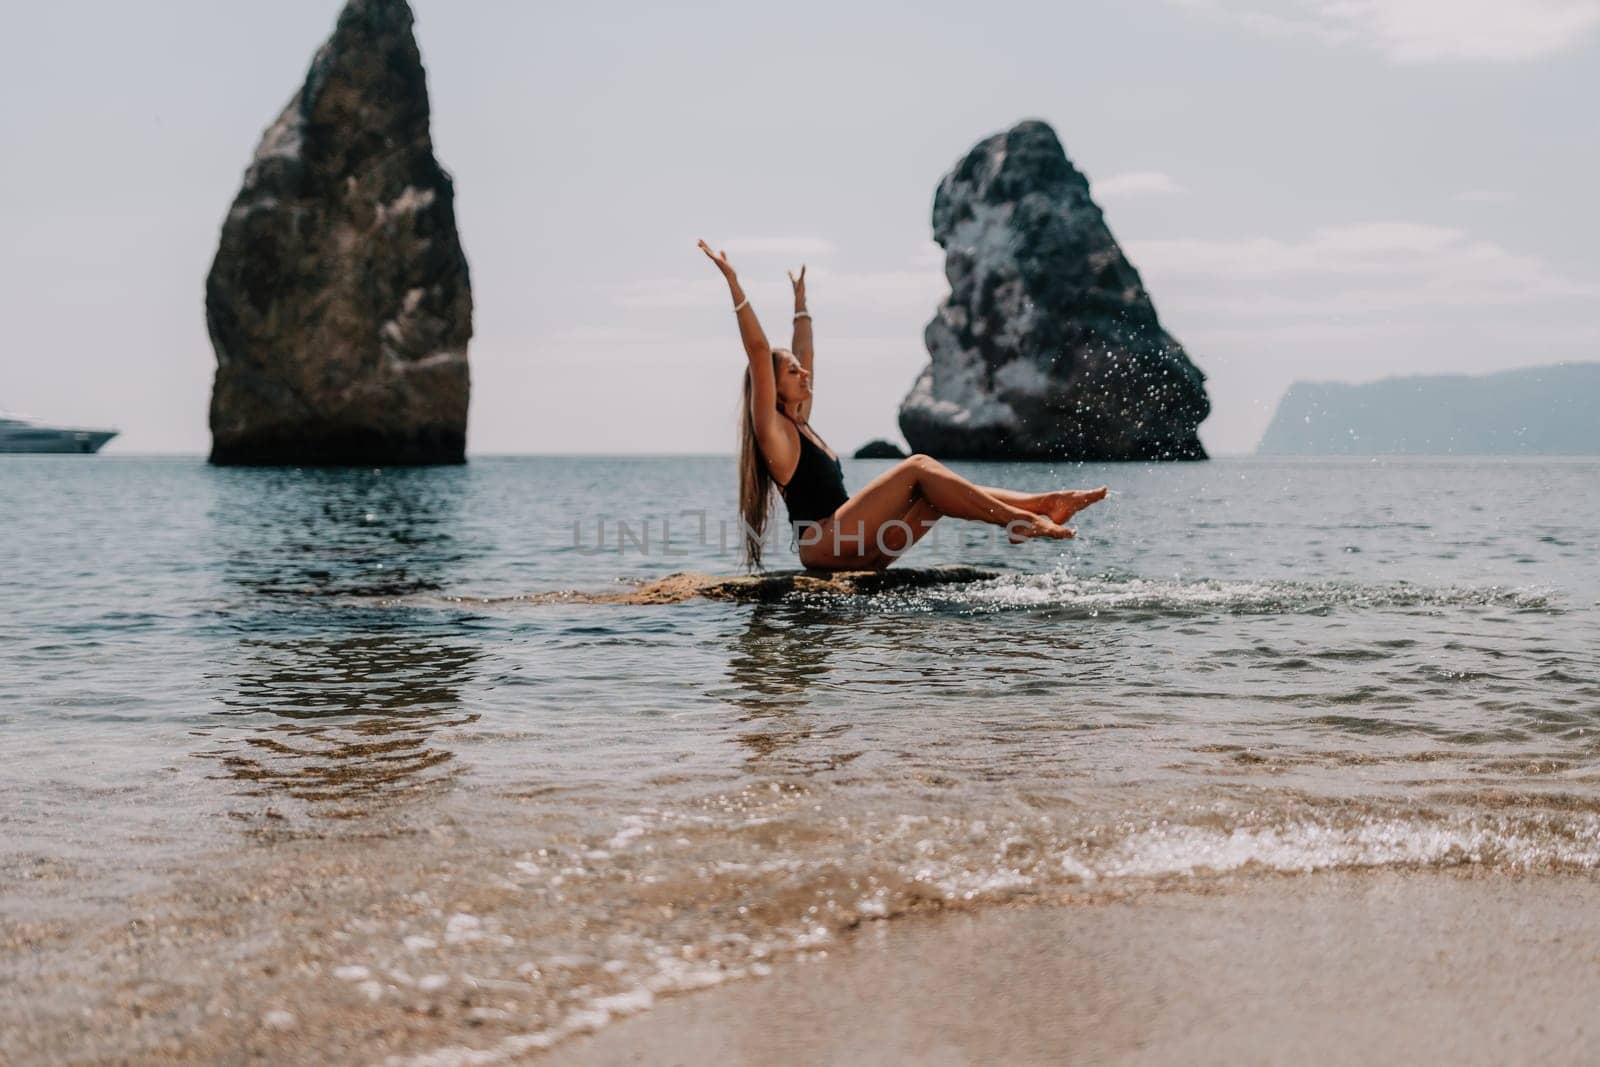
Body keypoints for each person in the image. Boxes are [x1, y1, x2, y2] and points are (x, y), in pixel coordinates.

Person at [699, 240, 1107, 571]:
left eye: (802, 369)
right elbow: (757, 351)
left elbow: (804, 349)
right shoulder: (774, 433)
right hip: (824, 545)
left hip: (860, 549)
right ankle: (1023, 520)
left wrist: (801, 301)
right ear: (770, 386)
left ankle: (1044, 504)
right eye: (792, 372)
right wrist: (734, 284)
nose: (804, 373)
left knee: (936, 494)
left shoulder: (801, 422)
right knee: (918, 466)